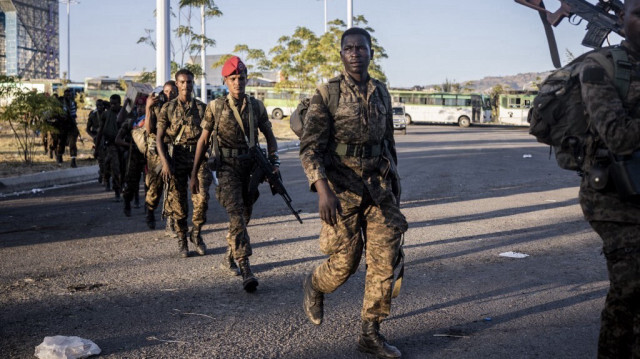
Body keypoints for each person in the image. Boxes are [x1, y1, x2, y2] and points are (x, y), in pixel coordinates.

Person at [299, 27, 407, 358]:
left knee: (384, 260)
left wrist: (394, 185)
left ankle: (370, 333)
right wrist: (322, 190)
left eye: (361, 47)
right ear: (342, 54)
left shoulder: (382, 92)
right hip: (341, 189)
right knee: (346, 262)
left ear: (371, 52)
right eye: (349, 48)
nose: (355, 52)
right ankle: (315, 285)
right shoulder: (327, 93)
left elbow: (388, 143)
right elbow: (309, 148)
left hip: (377, 189)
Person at [578, 1, 640, 357]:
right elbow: (619, 136)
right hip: (613, 196)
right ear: (621, 18)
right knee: (630, 287)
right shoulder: (600, 66)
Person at [190, 56, 279, 293]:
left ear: (247, 79)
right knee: (237, 213)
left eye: (241, 78)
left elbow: (270, 137)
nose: (238, 82)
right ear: (226, 81)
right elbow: (203, 140)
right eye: (233, 79)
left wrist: (274, 163)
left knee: (245, 214)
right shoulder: (216, 107)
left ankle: (231, 253)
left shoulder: (257, 106)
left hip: (250, 168)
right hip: (227, 168)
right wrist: (193, 174)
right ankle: (245, 267)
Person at [156, 69, 212, 258]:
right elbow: (159, 139)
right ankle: (182, 238)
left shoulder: (202, 109)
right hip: (176, 157)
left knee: (202, 198)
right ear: (177, 84)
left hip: (198, 157)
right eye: (182, 82)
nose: (186, 85)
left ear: (193, 83)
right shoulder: (168, 108)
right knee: (178, 202)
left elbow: (208, 137)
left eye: (189, 82)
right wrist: (165, 163)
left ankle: (196, 233)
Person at [145, 81, 178, 230]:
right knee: (155, 188)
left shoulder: (180, 108)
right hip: (157, 152)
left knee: (174, 186)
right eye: (166, 91)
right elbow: (149, 129)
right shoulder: (157, 107)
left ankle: (171, 220)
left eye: (172, 91)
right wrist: (148, 107)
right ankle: (150, 210)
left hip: (175, 149)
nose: (169, 94)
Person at [116, 96, 147, 217]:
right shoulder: (131, 122)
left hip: (147, 156)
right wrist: (130, 145)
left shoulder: (150, 121)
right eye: (138, 106)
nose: (140, 109)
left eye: (143, 106)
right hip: (133, 156)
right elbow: (118, 139)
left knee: (149, 184)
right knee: (131, 183)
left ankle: (148, 207)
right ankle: (127, 203)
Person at [96, 94, 124, 201]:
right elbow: (100, 131)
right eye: (111, 103)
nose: (113, 106)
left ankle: (121, 185)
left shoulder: (124, 113)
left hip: (123, 144)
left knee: (123, 167)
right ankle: (116, 190)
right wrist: (97, 148)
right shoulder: (106, 115)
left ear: (119, 103)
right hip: (111, 144)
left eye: (115, 104)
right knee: (115, 167)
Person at [55, 88, 80, 168]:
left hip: (71, 125)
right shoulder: (60, 102)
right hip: (62, 125)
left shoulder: (73, 103)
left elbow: (73, 114)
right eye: (67, 94)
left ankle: (73, 160)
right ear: (64, 94)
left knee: (72, 143)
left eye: (69, 94)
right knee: (61, 142)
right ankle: (59, 156)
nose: (68, 96)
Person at [87, 99, 106, 183]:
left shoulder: (107, 114)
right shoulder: (93, 115)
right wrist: (94, 136)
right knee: (101, 157)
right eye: (98, 105)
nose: (99, 107)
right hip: (98, 138)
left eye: (101, 105)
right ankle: (102, 174)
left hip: (106, 137)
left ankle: (104, 173)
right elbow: (88, 129)